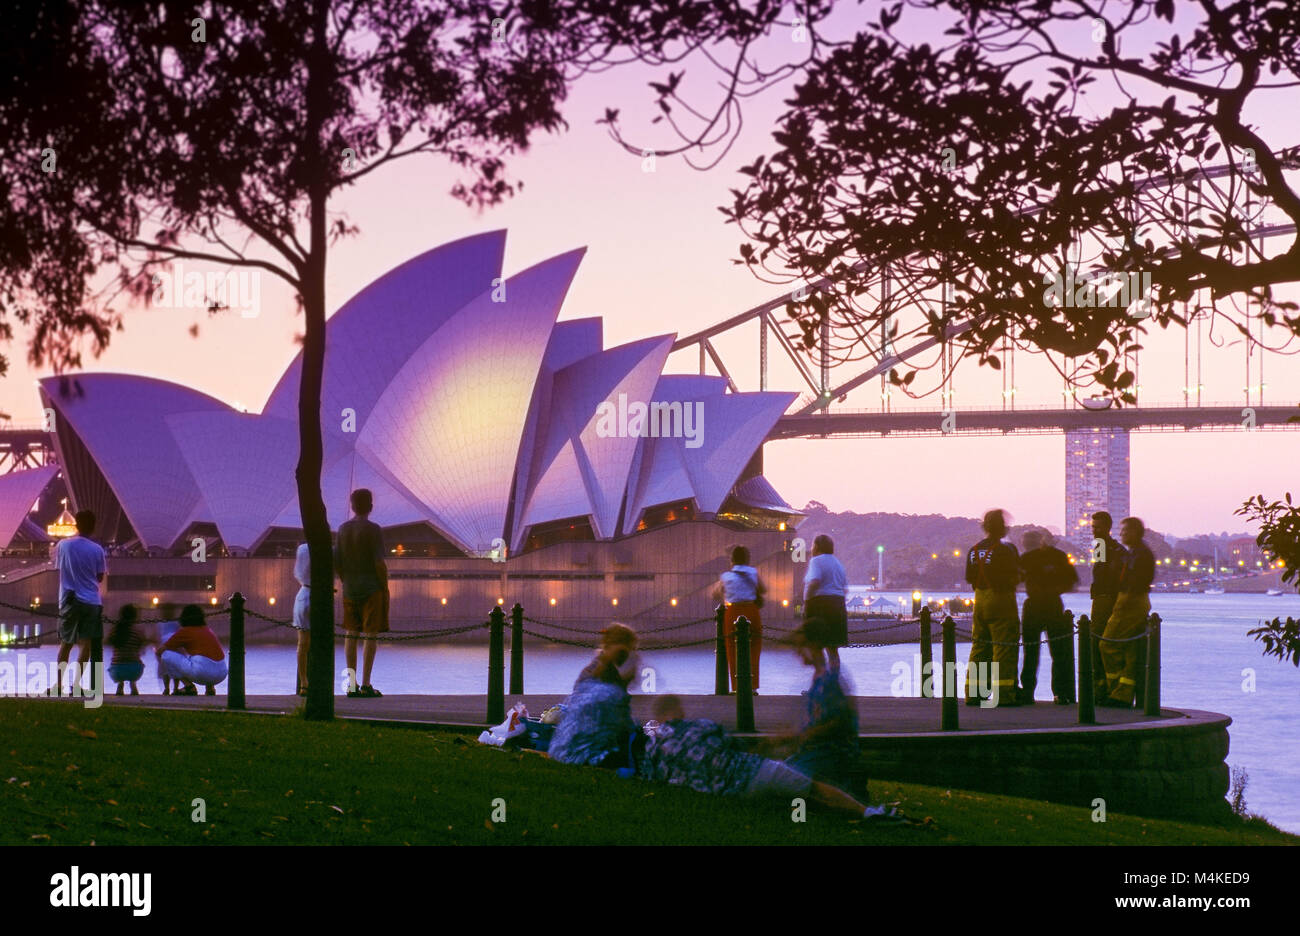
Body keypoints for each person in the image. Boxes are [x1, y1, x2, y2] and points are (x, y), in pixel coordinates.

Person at [637, 695, 891, 820]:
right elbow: (735, 746)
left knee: (794, 798)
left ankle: (815, 810)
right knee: (814, 787)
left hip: (731, 794)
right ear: (678, 711)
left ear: (658, 719)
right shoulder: (700, 725)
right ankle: (868, 812)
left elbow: (650, 777)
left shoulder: (652, 749)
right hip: (752, 773)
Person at [782, 624, 861, 791]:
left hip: (832, 754)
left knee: (785, 779)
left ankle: (801, 814)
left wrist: (803, 735)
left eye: (802, 646)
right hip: (818, 751)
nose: (798, 652)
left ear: (815, 645)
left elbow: (842, 722)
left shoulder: (833, 678)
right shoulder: (820, 678)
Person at [548, 624, 639, 768]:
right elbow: (625, 729)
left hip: (560, 751)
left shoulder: (587, 675)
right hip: (586, 759)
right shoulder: (615, 694)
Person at [964, 509, 1021, 707]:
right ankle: (1004, 694)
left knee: (979, 646)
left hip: (979, 600)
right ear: (1003, 528)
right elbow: (1016, 575)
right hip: (1001, 599)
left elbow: (969, 578)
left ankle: (974, 693)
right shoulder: (1007, 550)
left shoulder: (974, 550)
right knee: (1004, 647)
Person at [336, 489, 389, 698]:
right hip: (371, 588)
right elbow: (379, 562)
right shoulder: (373, 530)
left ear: (352, 506)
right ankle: (366, 683)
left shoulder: (342, 530)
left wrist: (345, 579)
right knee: (370, 635)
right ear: (371, 507)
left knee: (350, 634)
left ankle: (351, 684)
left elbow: (337, 561)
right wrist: (383, 586)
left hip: (350, 588)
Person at [1098, 517, 1156, 708]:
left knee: (1108, 644)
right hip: (1124, 599)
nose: (1121, 534)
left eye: (1124, 531)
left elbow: (1134, 581)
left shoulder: (1135, 554)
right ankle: (1122, 691)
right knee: (1130, 649)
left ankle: (1115, 689)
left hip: (1128, 601)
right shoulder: (1129, 552)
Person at [1018, 531, 1078, 704]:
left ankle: (1028, 691)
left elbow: (1016, 577)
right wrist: (1056, 590)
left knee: (1031, 651)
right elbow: (1072, 581)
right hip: (1053, 604)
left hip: (1034, 605)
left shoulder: (1027, 557)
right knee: (1058, 652)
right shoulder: (1059, 556)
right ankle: (1060, 693)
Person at [53, 510, 106, 697]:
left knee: (66, 643)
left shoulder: (63, 545)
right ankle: (76, 685)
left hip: (69, 599)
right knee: (86, 645)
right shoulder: (97, 550)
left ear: (76, 524)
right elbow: (99, 577)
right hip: (91, 601)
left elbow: (59, 567)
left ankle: (58, 685)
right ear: (93, 527)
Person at [711, 546, 765, 693]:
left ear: (732, 560)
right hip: (751, 610)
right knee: (754, 648)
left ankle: (737, 687)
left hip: (733, 612)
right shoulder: (753, 573)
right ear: (748, 559)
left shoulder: (726, 577)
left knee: (732, 648)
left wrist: (727, 595)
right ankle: (752, 687)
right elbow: (763, 589)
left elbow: (715, 593)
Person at [1088, 511, 1125, 698]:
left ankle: (1099, 687)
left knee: (1097, 640)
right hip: (1114, 597)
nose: (1093, 530)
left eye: (1097, 527)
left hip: (1104, 598)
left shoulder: (1100, 544)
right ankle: (1114, 685)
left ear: (1107, 528)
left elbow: (1101, 571)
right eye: (1093, 526)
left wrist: (1098, 592)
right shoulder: (1117, 548)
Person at [157, 604, 228, 695]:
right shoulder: (208, 630)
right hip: (221, 673)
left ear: (183, 617)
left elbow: (161, 650)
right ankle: (210, 688)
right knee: (200, 657)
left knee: (166, 655)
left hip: (203, 672)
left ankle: (189, 686)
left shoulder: (185, 631)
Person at [803, 534, 849, 671]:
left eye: (812, 546)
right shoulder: (838, 563)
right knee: (833, 649)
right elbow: (845, 589)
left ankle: (819, 684)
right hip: (838, 605)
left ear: (816, 547)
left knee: (816, 647)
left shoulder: (816, 561)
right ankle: (833, 683)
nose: (811, 549)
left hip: (820, 606)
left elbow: (815, 582)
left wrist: (806, 602)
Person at [108, 604, 146, 696]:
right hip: (134, 671)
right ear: (135, 617)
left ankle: (120, 684)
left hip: (117, 671)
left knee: (116, 661)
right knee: (138, 662)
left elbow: (108, 643)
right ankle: (133, 684)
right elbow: (141, 648)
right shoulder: (137, 632)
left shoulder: (115, 631)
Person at [292, 541, 311, 696]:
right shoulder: (328, 549)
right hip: (317, 596)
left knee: (302, 643)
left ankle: (304, 682)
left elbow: (298, 572)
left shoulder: (302, 549)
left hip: (303, 594)